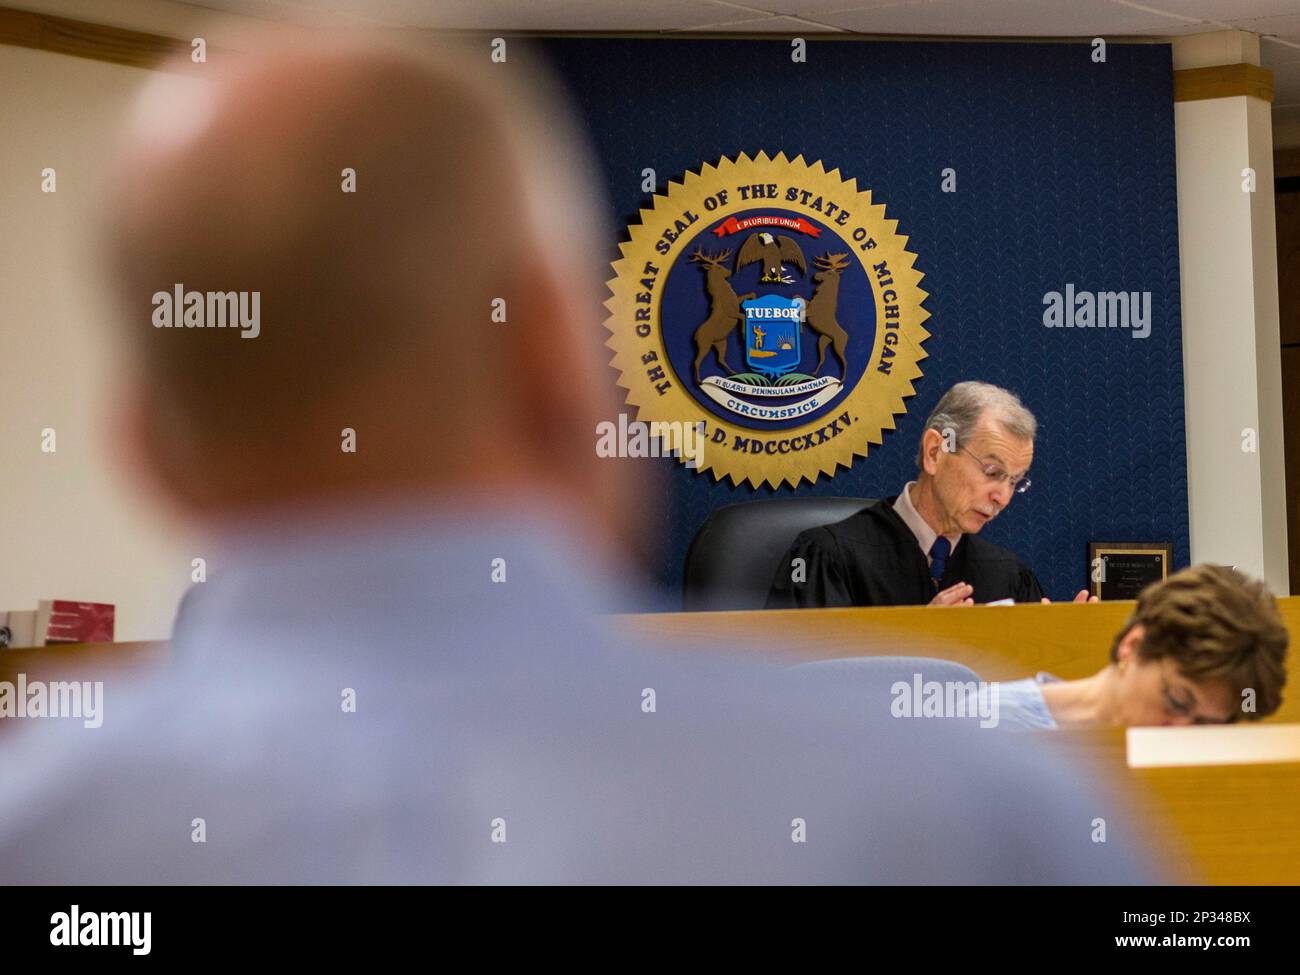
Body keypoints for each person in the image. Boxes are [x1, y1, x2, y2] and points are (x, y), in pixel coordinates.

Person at [0, 33, 1154, 884]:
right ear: (563, 361)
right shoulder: (965, 814)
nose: (1003, 494)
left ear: (145, 453)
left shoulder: (40, 835)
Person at [766, 381, 1095, 608]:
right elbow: (797, 688)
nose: (1003, 498)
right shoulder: (826, 557)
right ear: (935, 452)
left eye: (1015, 481)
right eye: (993, 473)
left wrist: (1065, 648)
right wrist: (922, 644)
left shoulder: (1008, 576)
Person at [986, 565, 1288, 729]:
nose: (1181, 734)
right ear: (1133, 645)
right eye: (1177, 702)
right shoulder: (985, 720)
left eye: (1204, 725)